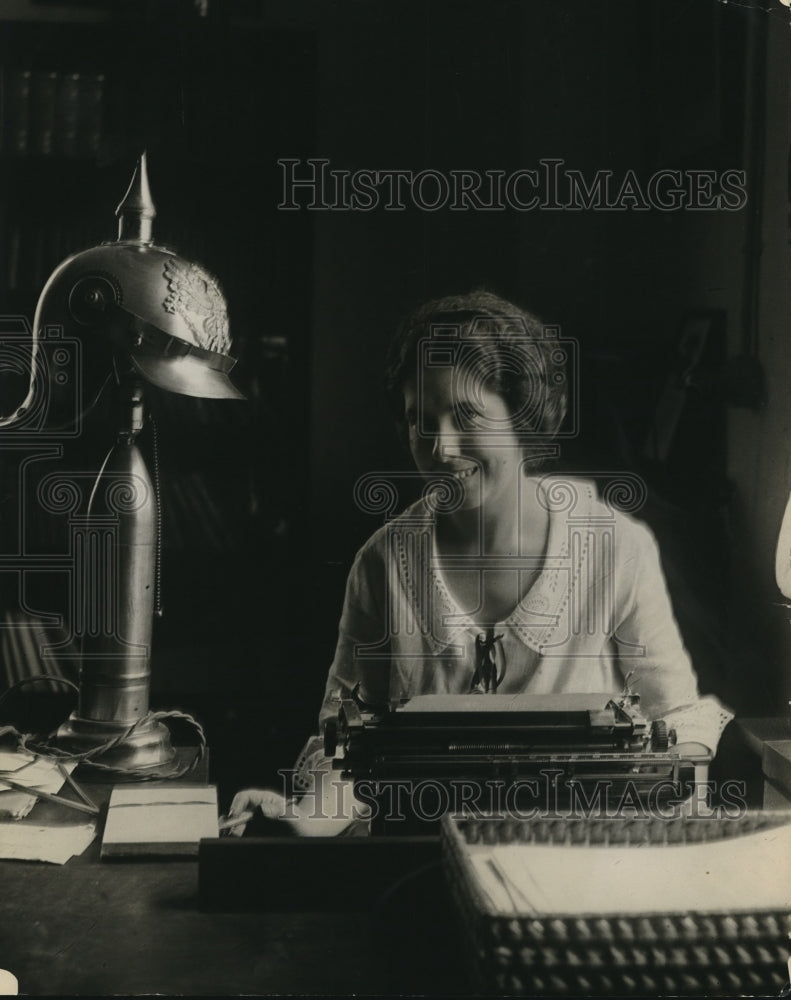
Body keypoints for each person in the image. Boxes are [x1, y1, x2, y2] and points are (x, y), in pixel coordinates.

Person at [228, 290, 733, 834]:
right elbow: (345, 746)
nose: (442, 446)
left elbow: (677, 724)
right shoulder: (382, 561)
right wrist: (308, 819)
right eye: (421, 419)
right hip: (421, 850)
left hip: (579, 852)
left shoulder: (613, 544)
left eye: (466, 414)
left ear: (522, 414)